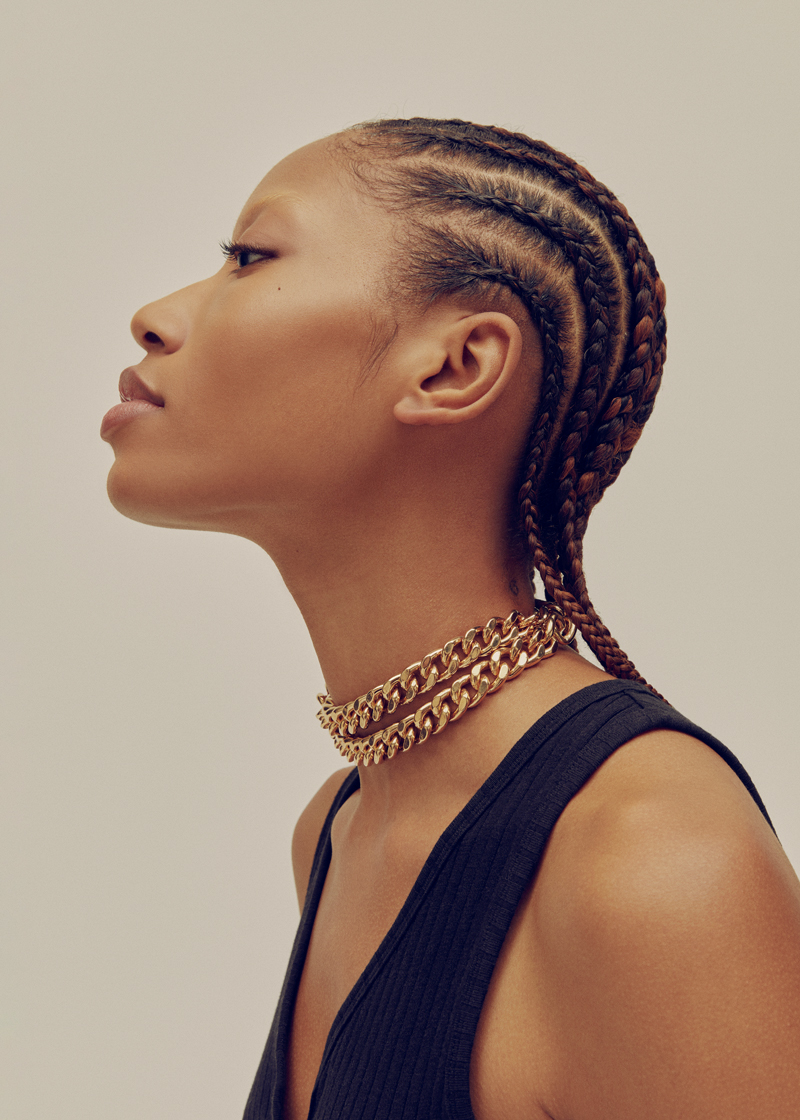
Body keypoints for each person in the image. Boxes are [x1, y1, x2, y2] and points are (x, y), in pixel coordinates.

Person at [100, 118, 800, 1120]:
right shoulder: (338, 829)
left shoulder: (649, 856)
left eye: (249, 257)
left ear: (455, 365)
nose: (154, 317)